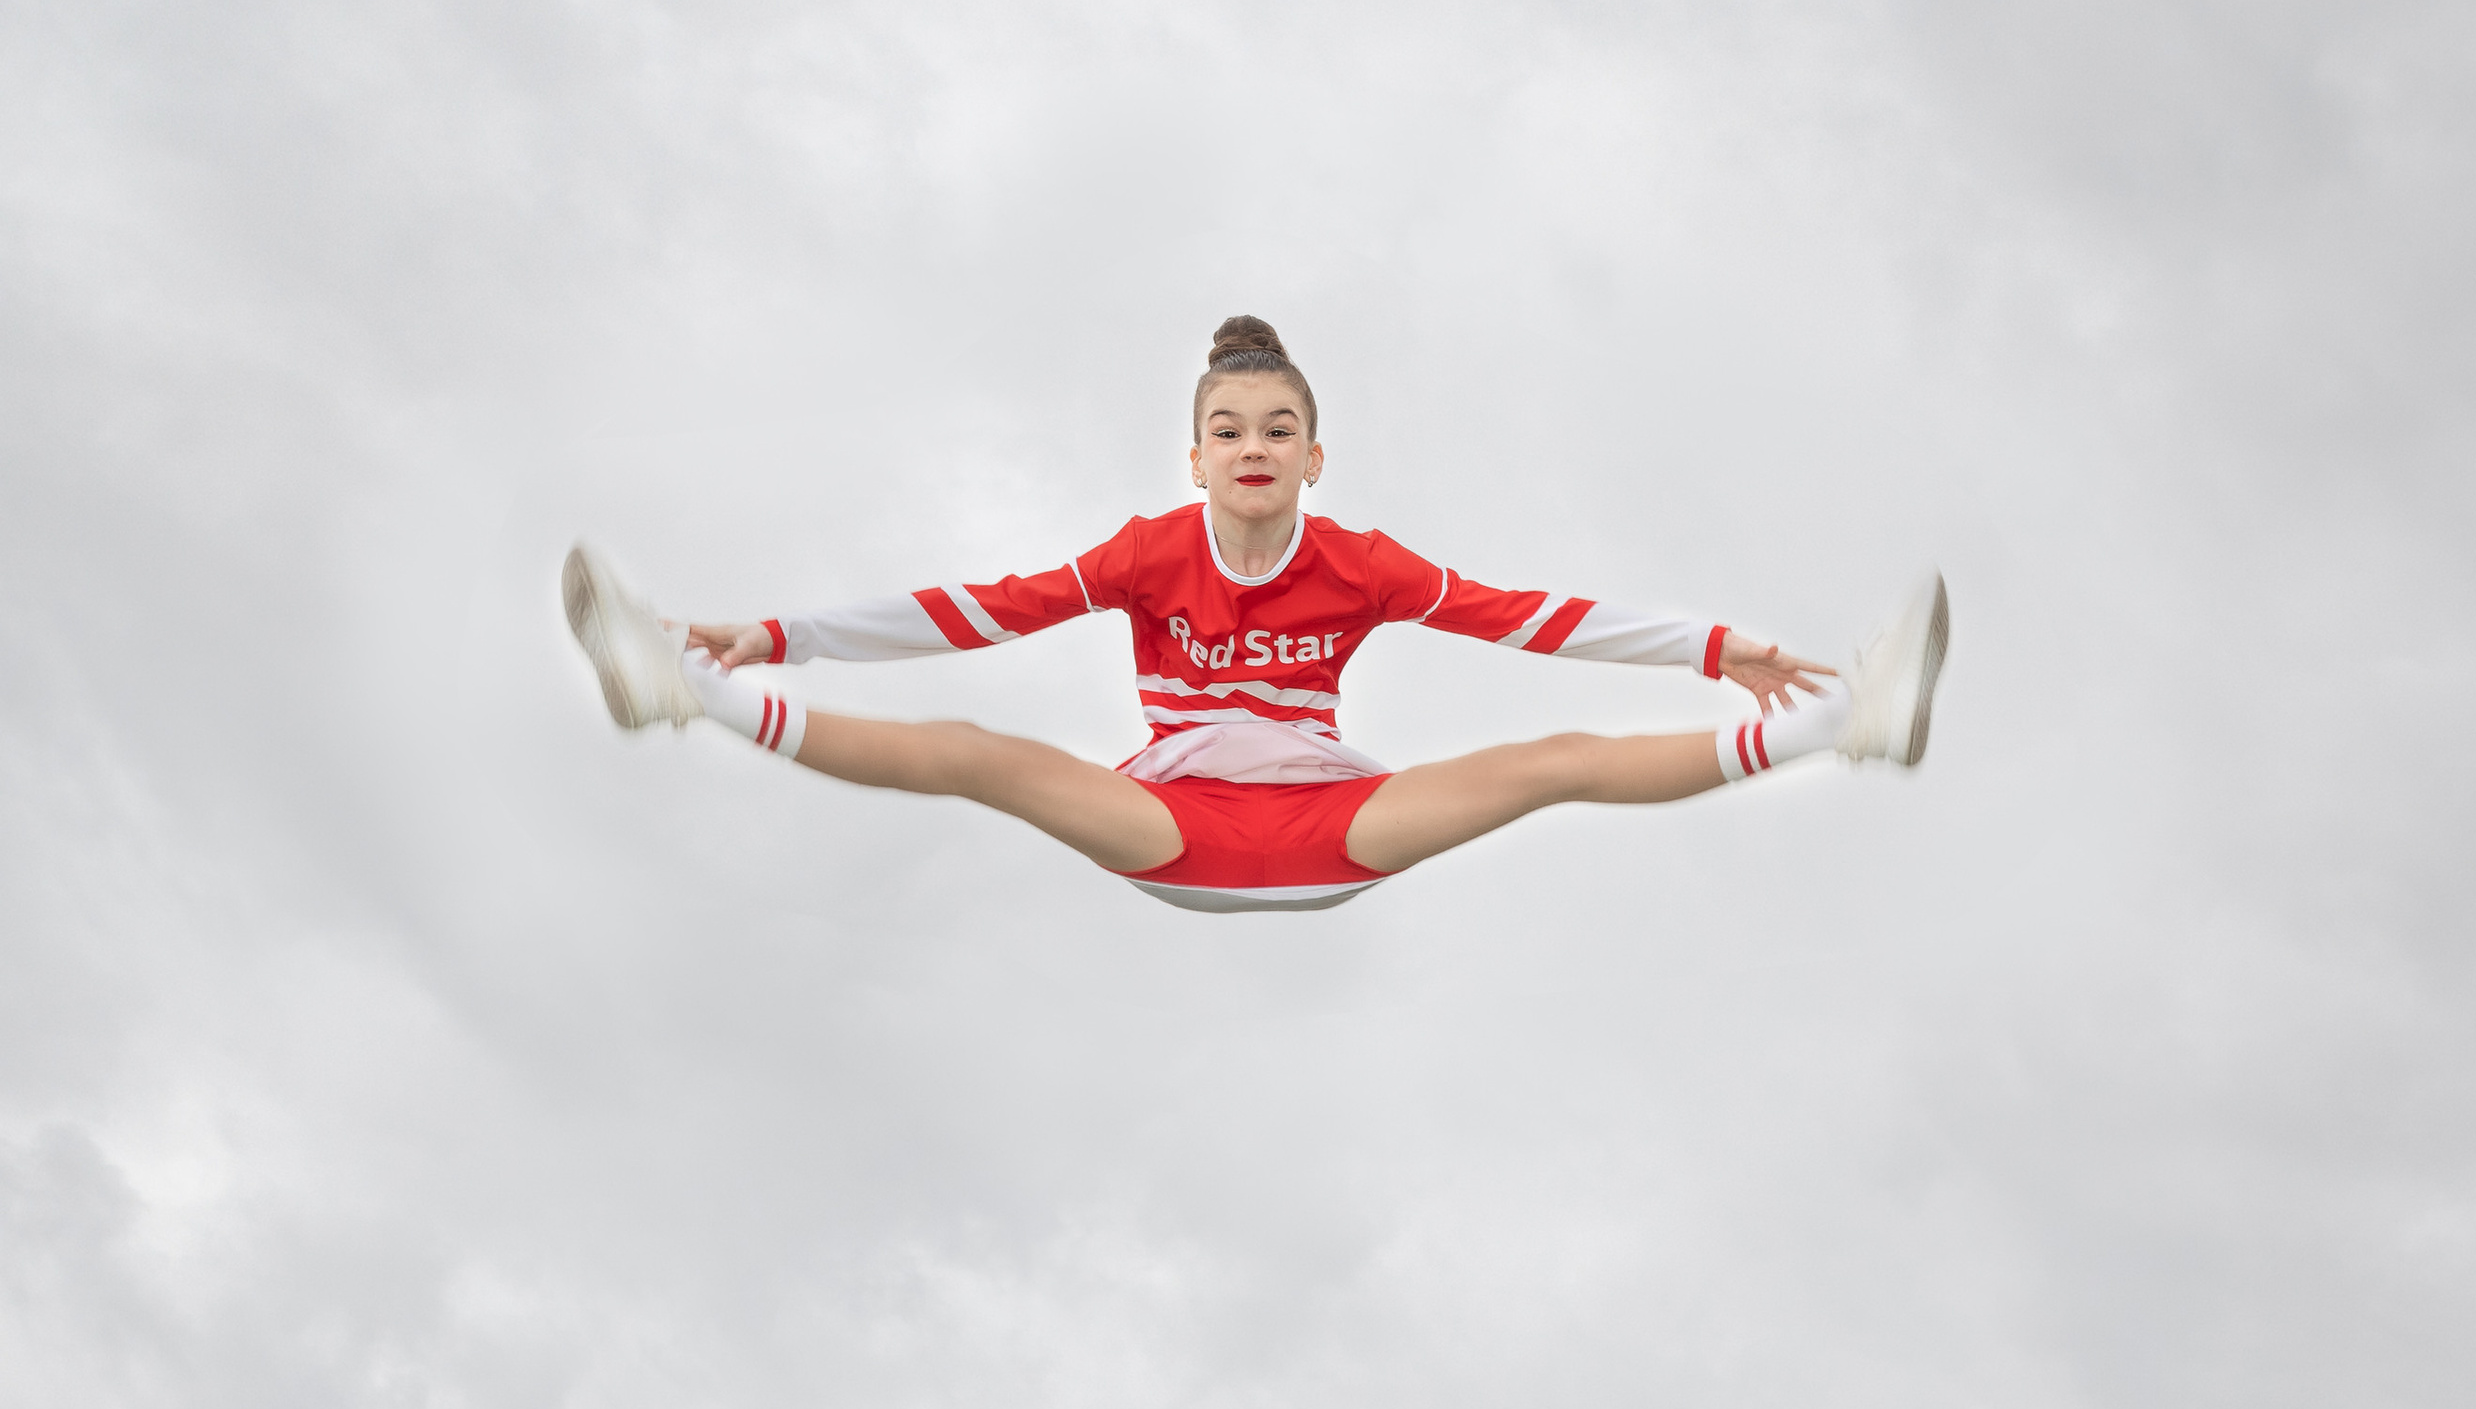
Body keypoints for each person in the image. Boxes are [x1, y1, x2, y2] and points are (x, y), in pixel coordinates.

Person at [562, 312, 1948, 916]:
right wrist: (778, 638)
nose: (1253, 444)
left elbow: (1527, 616)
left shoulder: (1361, 563)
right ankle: (690, 690)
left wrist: (1724, 652)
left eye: (1279, 427)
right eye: (1227, 427)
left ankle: (1847, 723)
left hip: (1330, 823)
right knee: (981, 752)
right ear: (1196, 454)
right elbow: (980, 609)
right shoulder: (1148, 552)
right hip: (1173, 824)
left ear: (1312, 455)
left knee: (1554, 763)